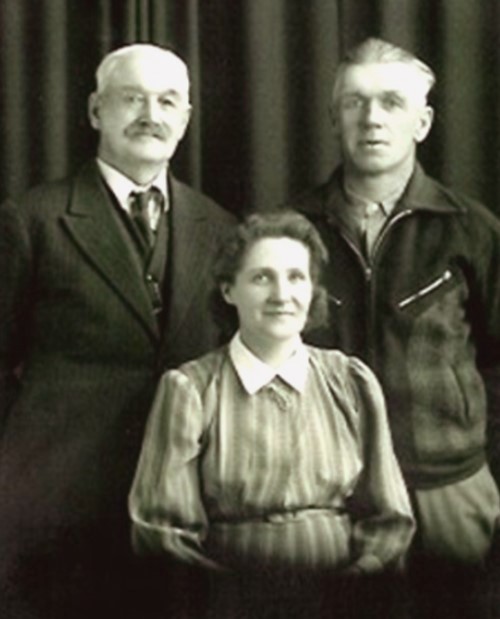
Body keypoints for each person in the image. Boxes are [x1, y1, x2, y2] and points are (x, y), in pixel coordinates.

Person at [0, 44, 235, 619]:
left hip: (182, 505)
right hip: (59, 508)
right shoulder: (31, 220)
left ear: (185, 119)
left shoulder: (222, 225)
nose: (149, 114)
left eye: (167, 101)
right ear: (94, 111)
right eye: (131, 98)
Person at [284, 37, 500, 618]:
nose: (372, 118)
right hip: (330, 498)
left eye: (391, 102)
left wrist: (478, 471)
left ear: (423, 121)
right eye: (354, 102)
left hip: (450, 494)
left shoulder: (473, 230)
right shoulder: (288, 231)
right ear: (334, 118)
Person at [129, 211, 415, 619]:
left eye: (296, 277)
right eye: (262, 278)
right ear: (229, 290)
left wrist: (354, 586)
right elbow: (163, 534)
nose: (282, 294)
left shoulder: (351, 382)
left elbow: (390, 519)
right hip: (225, 605)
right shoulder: (190, 390)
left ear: (313, 290)